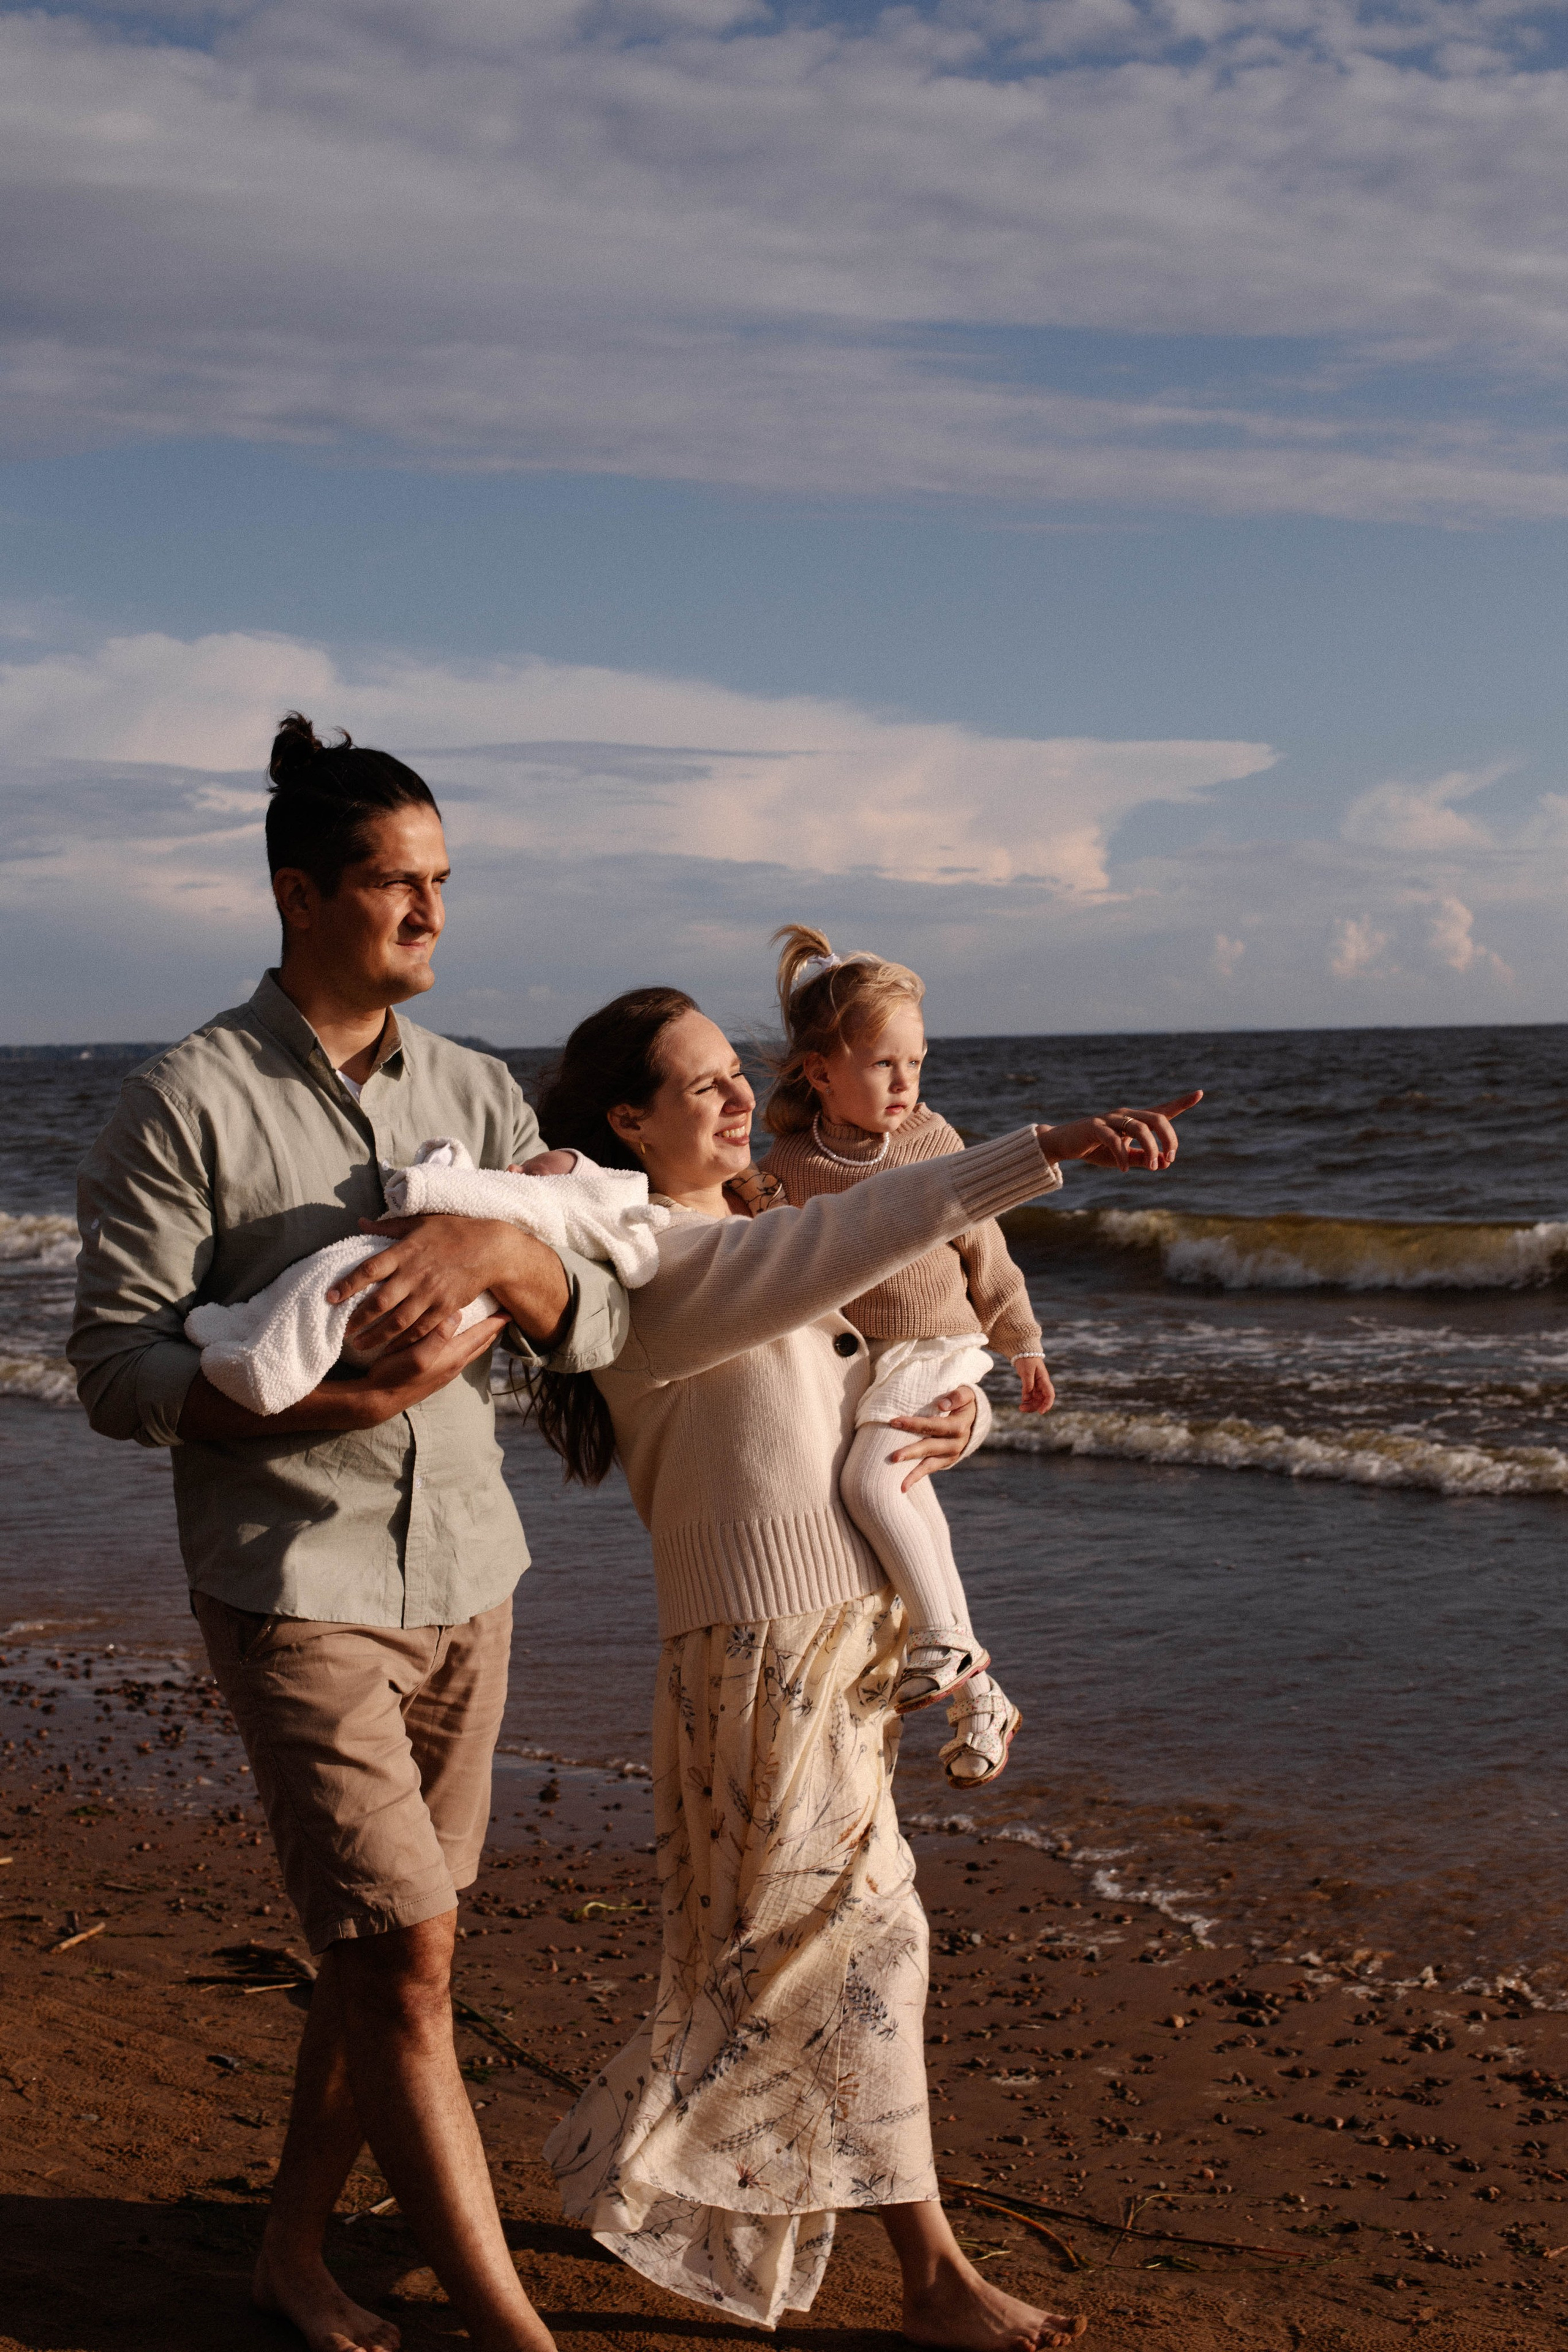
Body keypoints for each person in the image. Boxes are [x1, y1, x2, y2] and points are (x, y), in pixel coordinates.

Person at [504, 984, 1196, 2349]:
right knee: (862, 1945)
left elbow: (863, 1397)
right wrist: (1039, 1148)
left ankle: (623, 2174)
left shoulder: (741, 1230)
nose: (729, 1099)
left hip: (840, 1639)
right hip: (760, 1658)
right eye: (693, 1087)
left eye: (727, 1077)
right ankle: (932, 2278)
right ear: (626, 1123)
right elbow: (853, 1233)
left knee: (752, 1956)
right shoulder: (655, 1264)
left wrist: (959, 1422)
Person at [69, 714, 628, 2352]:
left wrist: (488, 1253)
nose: (434, 915)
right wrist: (312, 1410)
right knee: (407, 1955)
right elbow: (114, 1366)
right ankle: (511, 2330)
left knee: (390, 1958)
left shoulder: (473, 1090)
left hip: (473, 1569)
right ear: (301, 893)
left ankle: (290, 2254)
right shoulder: (189, 1100)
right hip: (294, 1582)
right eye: (399, 884)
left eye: (445, 882)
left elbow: (586, 1320)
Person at [761, 925, 1049, 1789]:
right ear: (821, 1070)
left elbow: (986, 1252)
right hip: (868, 1359)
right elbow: (760, 1251)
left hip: (941, 1344)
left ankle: (947, 1641)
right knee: (902, 1485)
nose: (906, 1083)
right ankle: (979, 1694)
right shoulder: (790, 1163)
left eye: (916, 1064)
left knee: (871, 1482)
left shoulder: (932, 1141)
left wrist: (1023, 1344)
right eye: (886, 1065)